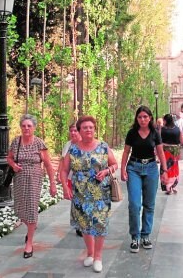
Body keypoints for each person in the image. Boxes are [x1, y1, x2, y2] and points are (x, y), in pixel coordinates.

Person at [60, 116, 118, 273]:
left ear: (94, 129)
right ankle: (90, 254)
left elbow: (114, 164)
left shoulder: (103, 146)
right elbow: (64, 170)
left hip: (100, 192)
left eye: (91, 127)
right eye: (84, 127)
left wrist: (106, 171)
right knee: (84, 223)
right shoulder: (73, 149)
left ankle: (98, 257)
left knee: (99, 223)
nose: (88, 130)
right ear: (79, 130)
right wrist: (65, 187)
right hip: (80, 192)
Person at [6, 114, 57, 259]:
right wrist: (13, 165)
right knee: (21, 208)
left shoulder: (39, 144)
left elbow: (48, 164)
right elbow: (9, 158)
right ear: (21, 127)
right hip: (19, 179)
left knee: (32, 208)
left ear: (34, 127)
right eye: (24, 126)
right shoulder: (16, 142)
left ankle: (29, 242)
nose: (26, 128)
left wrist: (53, 183)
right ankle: (30, 230)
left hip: (34, 179)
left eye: (29, 126)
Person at [121, 106, 167, 253]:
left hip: (151, 168)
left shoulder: (155, 133)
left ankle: (145, 235)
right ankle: (135, 236)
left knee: (149, 204)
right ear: (136, 118)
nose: (142, 120)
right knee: (134, 204)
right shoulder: (132, 133)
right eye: (140, 117)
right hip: (134, 167)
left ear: (150, 118)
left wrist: (165, 171)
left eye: (145, 117)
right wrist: (122, 169)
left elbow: (160, 152)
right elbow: (126, 152)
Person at [60, 123, 83, 237]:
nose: (73, 133)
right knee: (75, 201)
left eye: (75, 131)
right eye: (71, 131)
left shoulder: (84, 144)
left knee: (83, 200)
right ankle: (78, 225)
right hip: (71, 177)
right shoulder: (68, 145)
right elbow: (63, 161)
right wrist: (59, 176)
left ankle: (84, 224)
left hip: (84, 179)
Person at [160, 114, 181, 194]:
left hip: (165, 151)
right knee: (174, 168)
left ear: (165, 120)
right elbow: (182, 141)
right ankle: (172, 186)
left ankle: (167, 186)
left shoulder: (163, 129)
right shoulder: (177, 129)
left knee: (165, 167)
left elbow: (159, 141)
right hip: (175, 151)